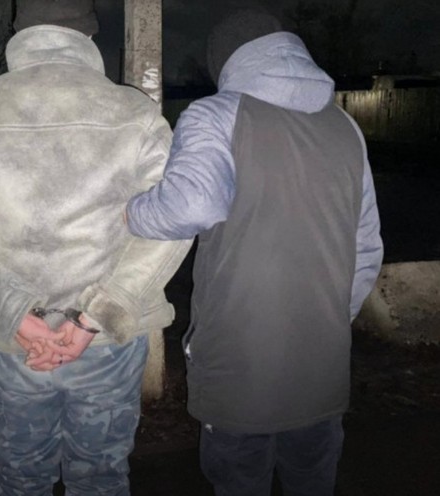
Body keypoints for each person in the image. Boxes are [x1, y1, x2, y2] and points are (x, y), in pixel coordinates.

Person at [0, 1, 192, 493]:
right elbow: (172, 223)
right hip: (106, 341)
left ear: (19, 31)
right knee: (101, 477)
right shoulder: (135, 112)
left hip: (16, 339)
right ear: (87, 33)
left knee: (20, 478)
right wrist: (97, 315)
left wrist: (13, 312)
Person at [126, 6, 384, 496]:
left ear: (227, 63)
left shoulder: (215, 114)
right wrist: (329, 318)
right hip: (322, 368)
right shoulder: (345, 126)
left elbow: (189, 205)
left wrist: (130, 212)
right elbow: (366, 247)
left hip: (238, 369)